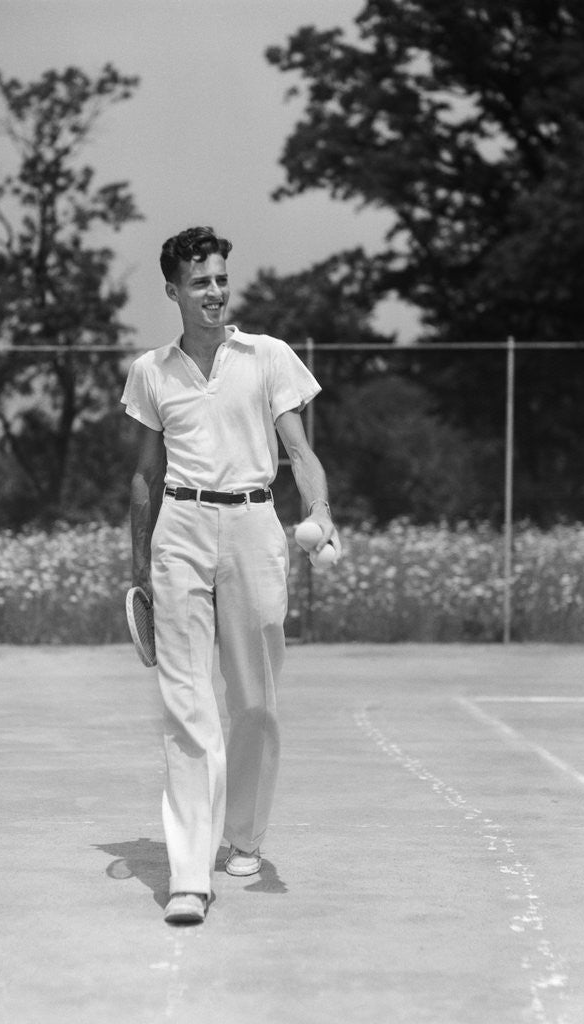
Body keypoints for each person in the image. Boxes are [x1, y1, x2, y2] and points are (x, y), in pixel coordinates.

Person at [121, 226, 340, 925]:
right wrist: (139, 571)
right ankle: (190, 874)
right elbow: (143, 476)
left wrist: (323, 513)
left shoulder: (268, 357)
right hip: (179, 529)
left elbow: (299, 453)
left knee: (253, 697)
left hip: (254, 524)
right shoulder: (151, 370)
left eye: (220, 278)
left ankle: (243, 835)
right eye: (199, 282)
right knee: (187, 704)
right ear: (172, 291)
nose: (214, 292)